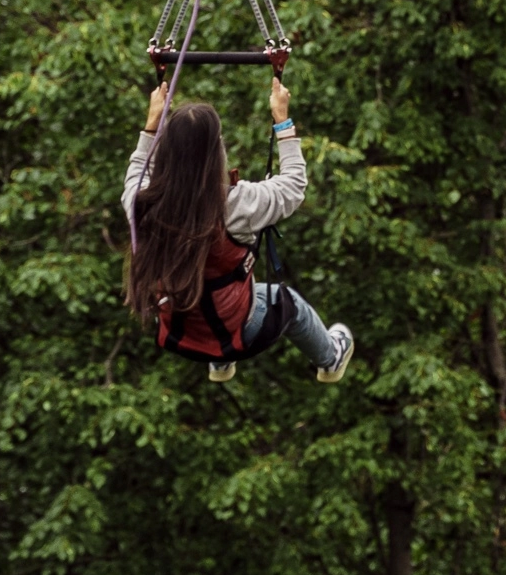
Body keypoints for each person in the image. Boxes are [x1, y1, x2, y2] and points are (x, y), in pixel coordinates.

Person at [124, 72, 354, 385]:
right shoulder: (236, 204)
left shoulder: (143, 203)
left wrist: (152, 124)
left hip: (179, 330)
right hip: (237, 328)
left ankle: (219, 361)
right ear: (215, 153)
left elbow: (137, 169)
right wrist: (282, 121)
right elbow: (293, 187)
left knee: (217, 284)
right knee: (287, 302)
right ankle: (331, 358)